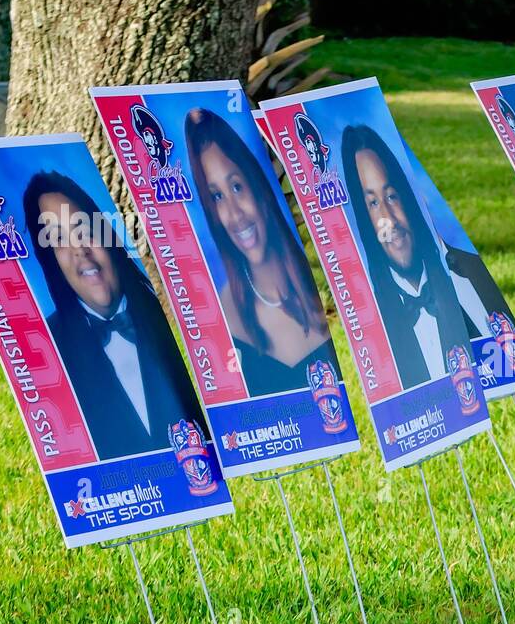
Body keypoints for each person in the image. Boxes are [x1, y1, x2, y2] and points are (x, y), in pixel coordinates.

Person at [22, 170, 204, 461]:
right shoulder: (48, 350)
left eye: (84, 230)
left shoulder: (168, 308)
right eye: (58, 239)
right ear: (50, 261)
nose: (80, 249)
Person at [184, 108, 339, 395]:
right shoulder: (226, 311)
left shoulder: (311, 286)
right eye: (217, 196)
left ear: (258, 186)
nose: (234, 214)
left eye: (237, 187)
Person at [341, 124, 472, 388]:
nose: (389, 219)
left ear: (408, 200)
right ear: (363, 220)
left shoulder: (465, 280)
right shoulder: (370, 323)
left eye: (391, 196)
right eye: (373, 204)